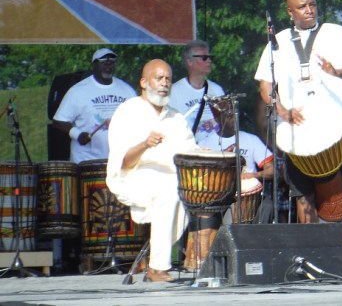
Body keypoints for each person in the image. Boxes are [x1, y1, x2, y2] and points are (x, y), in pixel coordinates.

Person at [254, 0, 342, 274]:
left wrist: (336, 71)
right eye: (302, 7)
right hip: (296, 130)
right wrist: (281, 110)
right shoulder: (277, 43)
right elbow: (266, 84)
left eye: (312, 4)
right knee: (303, 195)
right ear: (290, 12)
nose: (309, 10)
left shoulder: (335, 33)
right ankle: (308, 257)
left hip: (336, 125)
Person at [106, 59, 197, 282]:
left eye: (168, 79)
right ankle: (157, 268)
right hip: (133, 177)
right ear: (144, 82)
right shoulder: (128, 111)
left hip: (171, 178)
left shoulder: (176, 116)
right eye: (159, 78)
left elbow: (190, 152)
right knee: (168, 193)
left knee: (192, 192)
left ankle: (198, 261)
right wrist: (145, 144)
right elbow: (124, 162)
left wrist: (203, 153)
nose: (164, 83)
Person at [53, 48, 136, 164]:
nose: (108, 65)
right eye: (103, 62)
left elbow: (138, 120)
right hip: (86, 162)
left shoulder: (127, 91)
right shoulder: (78, 91)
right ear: (94, 65)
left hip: (118, 163)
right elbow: (58, 121)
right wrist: (77, 134)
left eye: (111, 62)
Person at [200, 98, 274, 224]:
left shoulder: (251, 139)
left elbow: (272, 170)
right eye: (229, 116)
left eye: (235, 115)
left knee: (268, 205)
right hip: (219, 195)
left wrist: (253, 175)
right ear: (218, 119)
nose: (234, 119)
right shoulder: (205, 144)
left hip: (249, 195)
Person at [169, 40, 225, 144]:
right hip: (189, 149)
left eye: (210, 57)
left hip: (216, 148)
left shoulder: (217, 90)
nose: (209, 61)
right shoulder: (174, 92)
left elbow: (224, 122)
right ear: (189, 61)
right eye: (204, 57)